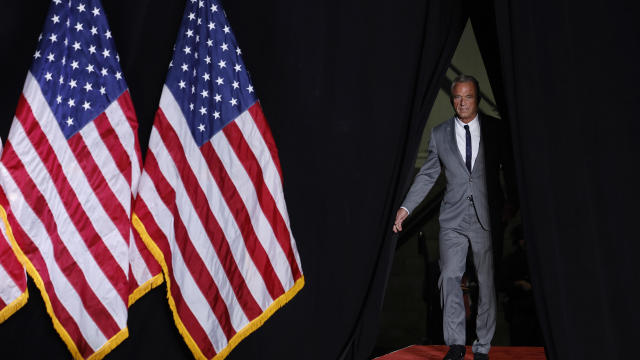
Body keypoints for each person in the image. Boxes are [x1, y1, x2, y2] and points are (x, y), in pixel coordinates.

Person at [393, 74, 517, 360]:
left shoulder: (495, 130)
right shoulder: (440, 134)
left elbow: (510, 169)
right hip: (453, 219)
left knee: (486, 282)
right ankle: (457, 344)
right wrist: (406, 208)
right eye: (458, 97)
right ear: (453, 100)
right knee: (449, 277)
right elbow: (427, 176)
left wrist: (513, 203)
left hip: (487, 217)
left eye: (468, 96)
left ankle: (483, 346)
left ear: (476, 98)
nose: (462, 102)